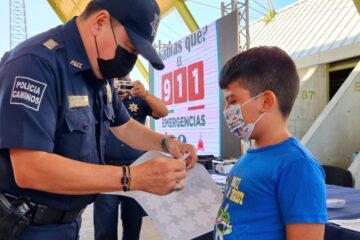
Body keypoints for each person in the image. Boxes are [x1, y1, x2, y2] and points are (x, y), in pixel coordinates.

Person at [0, 0, 197, 239]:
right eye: (129, 47)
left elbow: (124, 126)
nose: (130, 60)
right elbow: (30, 168)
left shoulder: (99, 75)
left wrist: (167, 143)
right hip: (25, 226)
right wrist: (133, 178)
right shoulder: (35, 63)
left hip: (68, 222)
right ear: (100, 22)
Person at [215, 46, 327, 240]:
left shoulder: (297, 165)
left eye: (232, 101)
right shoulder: (249, 156)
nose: (227, 110)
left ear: (266, 101)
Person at [94, 76, 168, 240]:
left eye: (125, 81)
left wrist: (145, 94)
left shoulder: (138, 96)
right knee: (104, 227)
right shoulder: (101, 94)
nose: (122, 84)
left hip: (137, 169)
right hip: (106, 170)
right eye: (118, 82)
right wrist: (108, 97)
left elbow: (163, 111)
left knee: (133, 224)